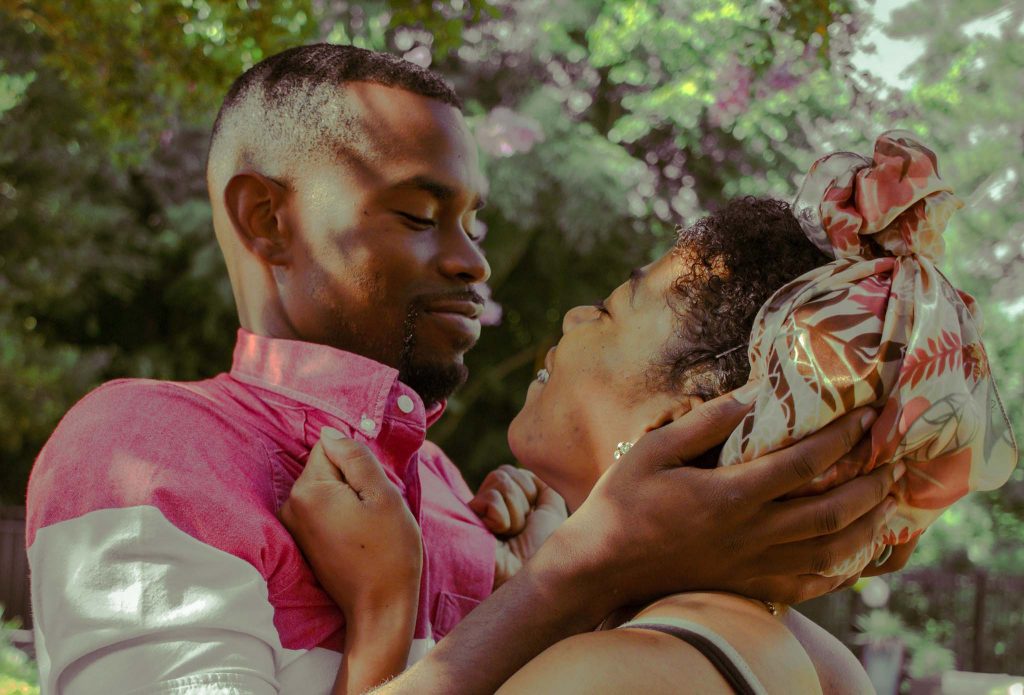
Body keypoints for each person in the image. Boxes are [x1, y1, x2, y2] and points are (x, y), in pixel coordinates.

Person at [26, 44, 901, 695]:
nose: (474, 263)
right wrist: (565, 576)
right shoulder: (144, 447)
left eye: (473, 222)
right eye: (417, 213)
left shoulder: (456, 492)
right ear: (266, 221)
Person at [287, 134, 1017, 694]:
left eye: (609, 310)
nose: (574, 316)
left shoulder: (618, 674)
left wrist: (384, 609)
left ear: (682, 419)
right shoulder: (821, 664)